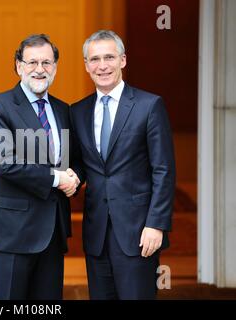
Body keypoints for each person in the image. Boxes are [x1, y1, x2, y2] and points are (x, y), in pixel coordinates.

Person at [69, 30, 176, 299]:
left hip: (139, 232)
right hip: (96, 235)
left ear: (123, 60)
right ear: (86, 65)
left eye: (109, 57)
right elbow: (82, 163)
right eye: (94, 59)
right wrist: (70, 177)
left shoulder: (149, 105)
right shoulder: (77, 111)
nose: (102, 65)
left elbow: (163, 169)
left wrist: (157, 224)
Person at [0, 34, 79, 300]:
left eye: (47, 62)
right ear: (18, 65)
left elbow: (74, 159)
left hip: (52, 232)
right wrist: (56, 179)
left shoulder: (63, 110)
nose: (40, 69)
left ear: (56, 68)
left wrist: (75, 177)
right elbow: (5, 162)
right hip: (11, 233)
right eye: (32, 62)